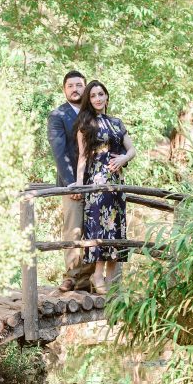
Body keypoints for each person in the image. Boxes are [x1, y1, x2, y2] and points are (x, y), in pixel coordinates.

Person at [73, 81, 136, 295]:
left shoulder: (117, 123)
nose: (98, 98)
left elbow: (132, 149)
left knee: (116, 228)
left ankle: (112, 281)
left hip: (117, 183)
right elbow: (82, 157)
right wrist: (80, 185)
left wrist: (123, 159)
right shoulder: (86, 123)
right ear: (89, 100)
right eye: (93, 96)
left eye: (101, 94)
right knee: (100, 228)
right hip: (98, 182)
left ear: (107, 97)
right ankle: (97, 276)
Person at [46, 70, 95, 292]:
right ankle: (72, 276)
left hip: (96, 182)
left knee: (94, 229)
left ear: (85, 87)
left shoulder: (94, 113)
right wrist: (71, 183)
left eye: (79, 85)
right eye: (70, 86)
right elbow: (59, 153)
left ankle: (89, 278)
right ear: (64, 90)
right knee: (73, 228)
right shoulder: (58, 116)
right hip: (72, 183)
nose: (75, 89)